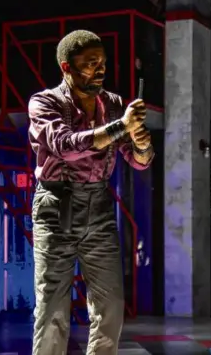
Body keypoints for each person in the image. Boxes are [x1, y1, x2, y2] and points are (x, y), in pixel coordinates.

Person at [28, 30, 154, 355]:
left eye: (103, 63)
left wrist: (141, 144)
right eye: (90, 63)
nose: (100, 70)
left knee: (111, 305)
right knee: (53, 309)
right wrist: (120, 128)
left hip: (99, 205)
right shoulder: (44, 102)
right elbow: (65, 146)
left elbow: (138, 161)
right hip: (57, 206)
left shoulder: (112, 104)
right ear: (67, 67)